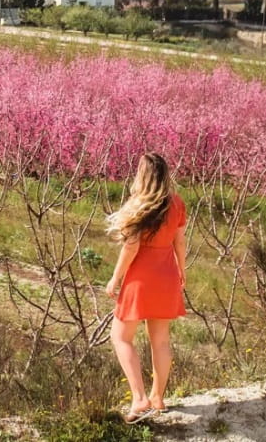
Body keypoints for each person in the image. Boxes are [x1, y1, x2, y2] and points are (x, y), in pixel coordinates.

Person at [105, 152, 186, 424]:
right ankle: (158, 398)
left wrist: (115, 279)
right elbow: (180, 244)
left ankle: (139, 398)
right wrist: (182, 273)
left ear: (142, 175)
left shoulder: (138, 204)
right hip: (167, 276)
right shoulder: (177, 204)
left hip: (140, 278)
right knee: (161, 340)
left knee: (121, 336)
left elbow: (131, 247)